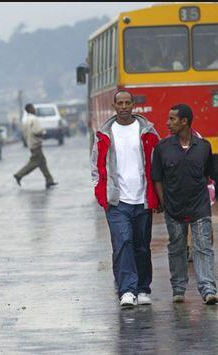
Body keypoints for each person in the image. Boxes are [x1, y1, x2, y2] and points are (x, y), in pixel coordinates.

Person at [91, 90, 160, 308]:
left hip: (142, 199)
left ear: (133, 105)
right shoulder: (105, 134)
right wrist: (101, 193)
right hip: (117, 201)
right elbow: (96, 167)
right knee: (123, 242)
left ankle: (142, 288)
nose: (123, 106)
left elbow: (157, 164)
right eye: (119, 103)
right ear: (114, 106)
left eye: (127, 103)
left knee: (141, 245)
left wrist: (157, 196)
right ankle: (127, 290)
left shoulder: (147, 131)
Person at [152, 104, 218, 305]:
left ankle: (208, 290)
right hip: (173, 208)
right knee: (177, 248)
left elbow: (207, 176)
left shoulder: (204, 147)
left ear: (184, 122)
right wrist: (165, 204)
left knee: (203, 247)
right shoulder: (162, 148)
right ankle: (178, 289)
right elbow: (157, 179)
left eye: (172, 119)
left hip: (199, 207)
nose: (167, 123)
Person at [13, 103, 57, 189]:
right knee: (34, 163)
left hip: (31, 144)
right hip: (36, 144)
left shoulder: (25, 120)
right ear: (30, 109)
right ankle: (19, 175)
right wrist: (44, 133)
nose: (35, 109)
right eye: (33, 108)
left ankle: (49, 180)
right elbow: (37, 131)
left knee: (42, 162)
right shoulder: (34, 119)